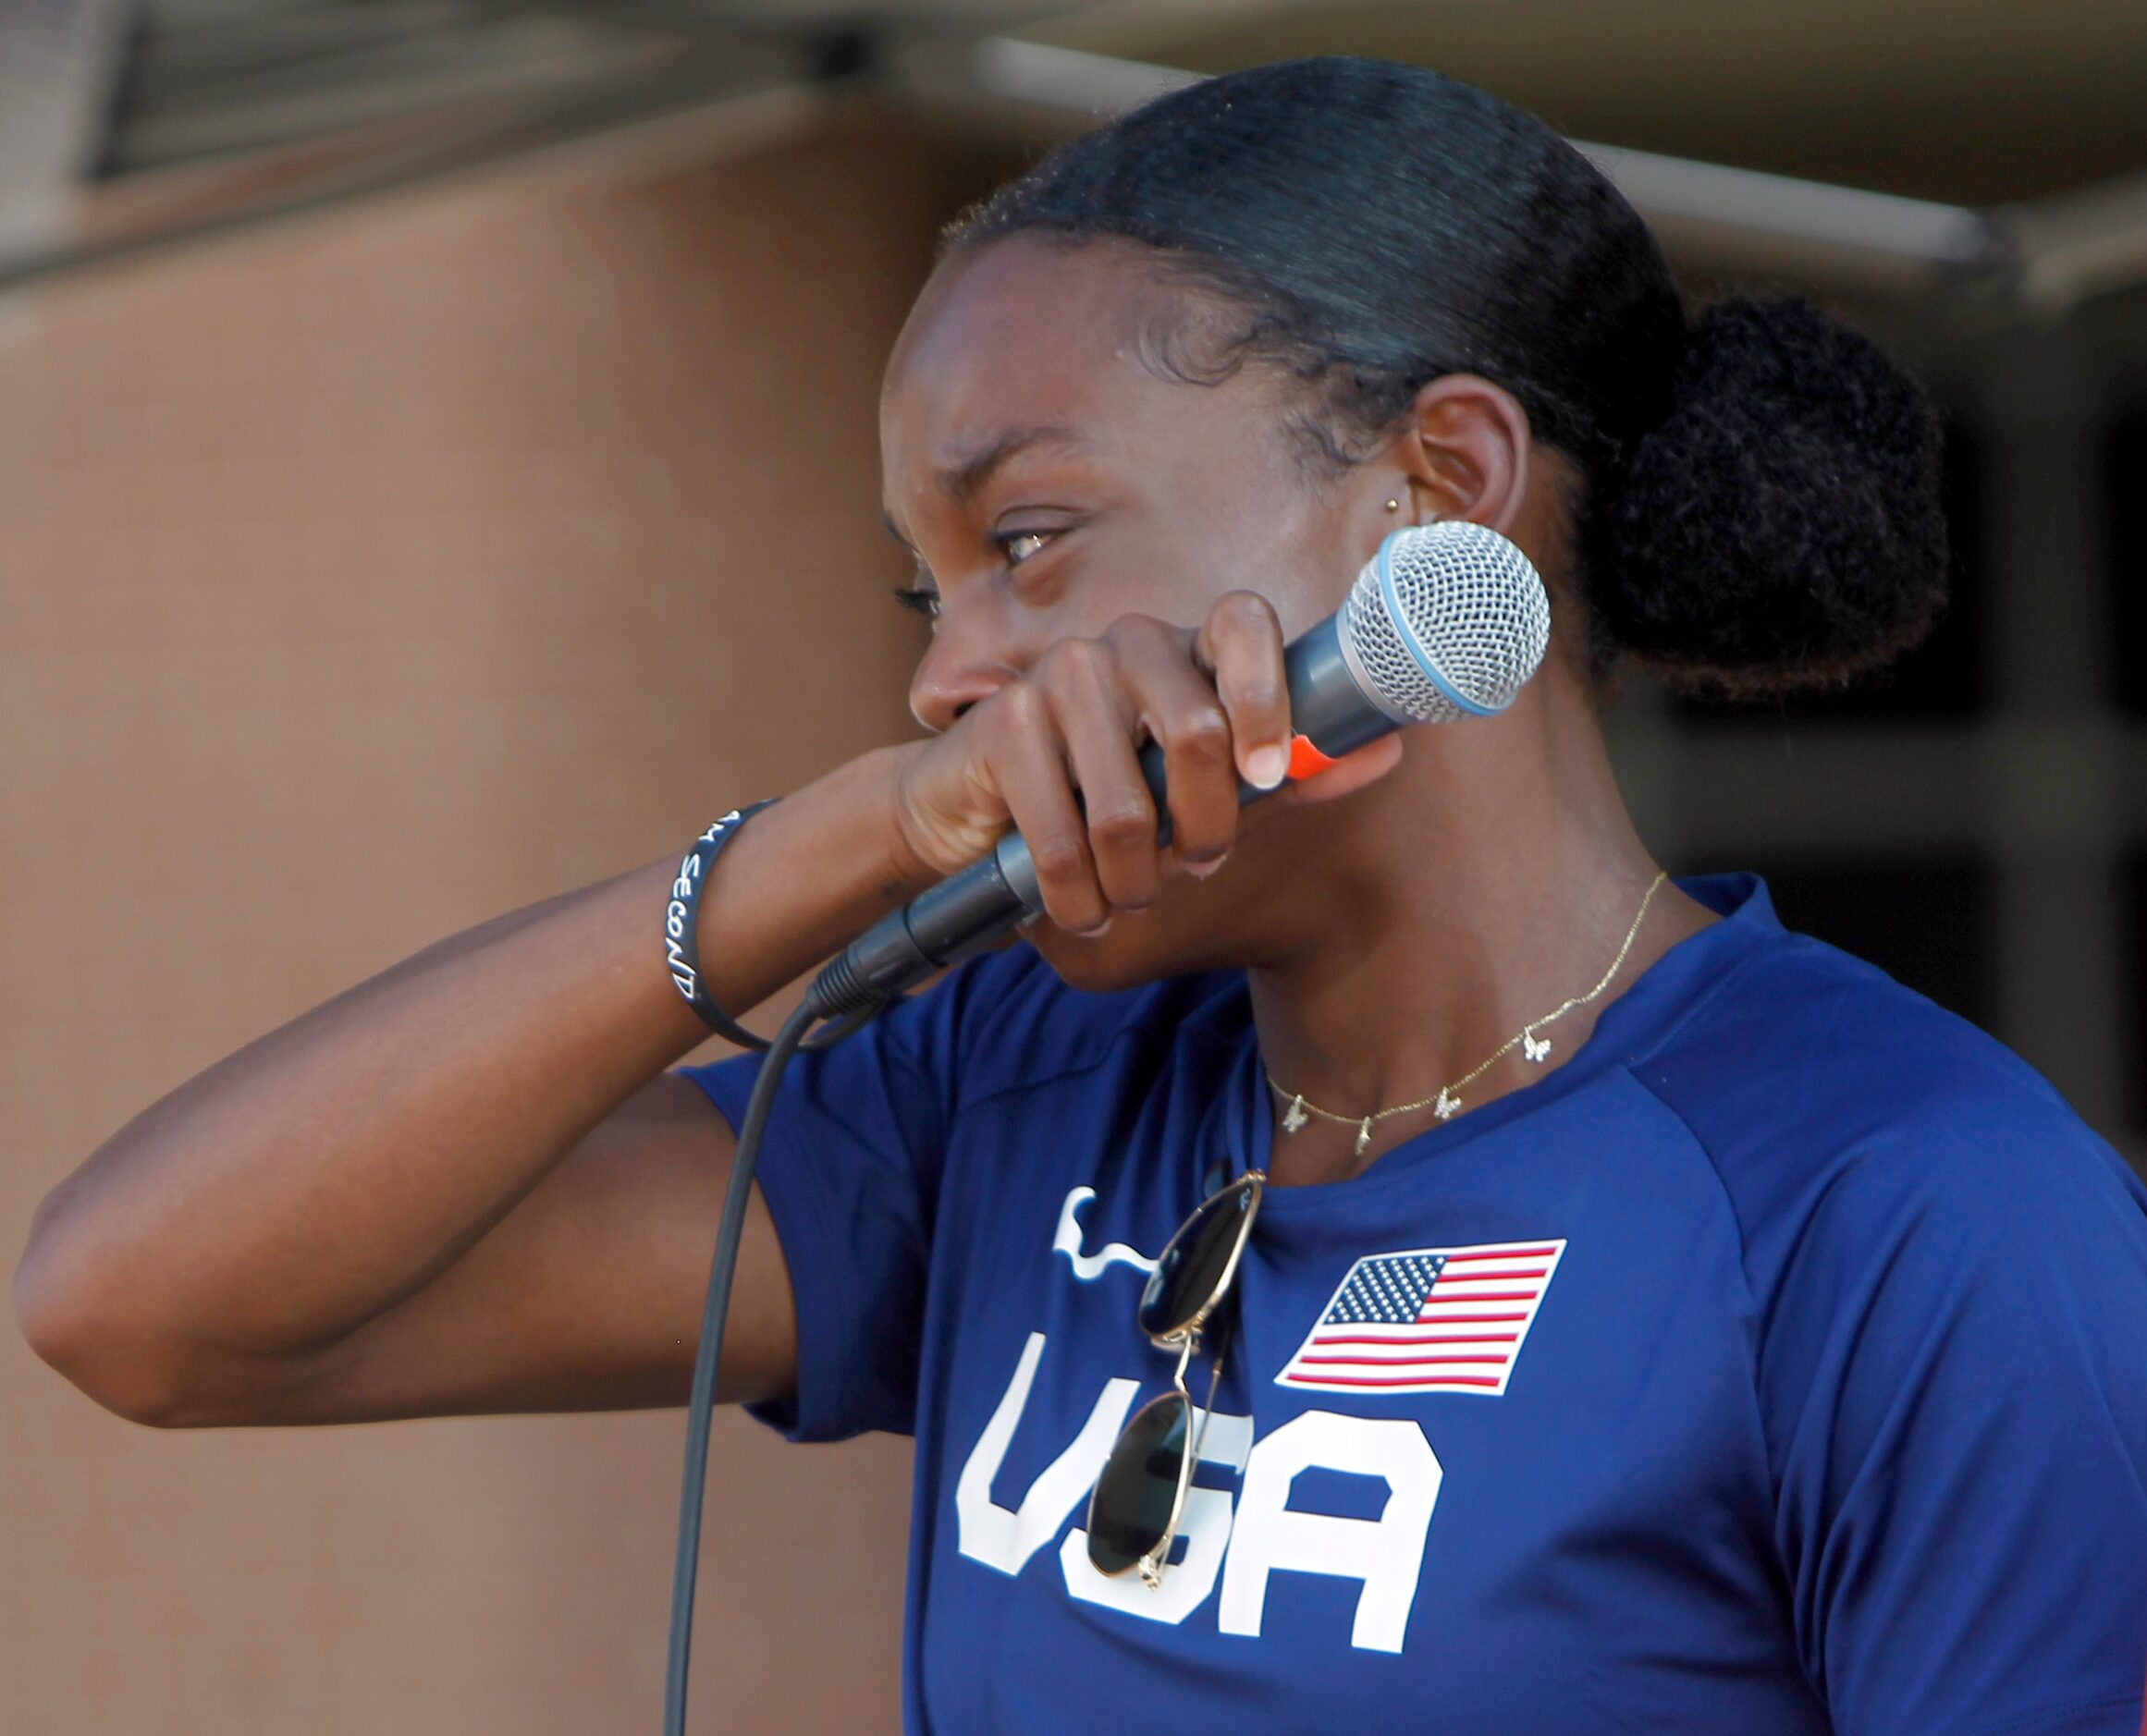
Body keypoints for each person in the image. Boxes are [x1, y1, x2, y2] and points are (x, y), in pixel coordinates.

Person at [17, 55, 2147, 1735]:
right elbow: (146, 1304)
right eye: (917, 592)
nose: (947, 672)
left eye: (1025, 541)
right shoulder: (1010, 1085)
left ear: (1443, 495)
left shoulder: (1908, 1205)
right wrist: (827, 847)